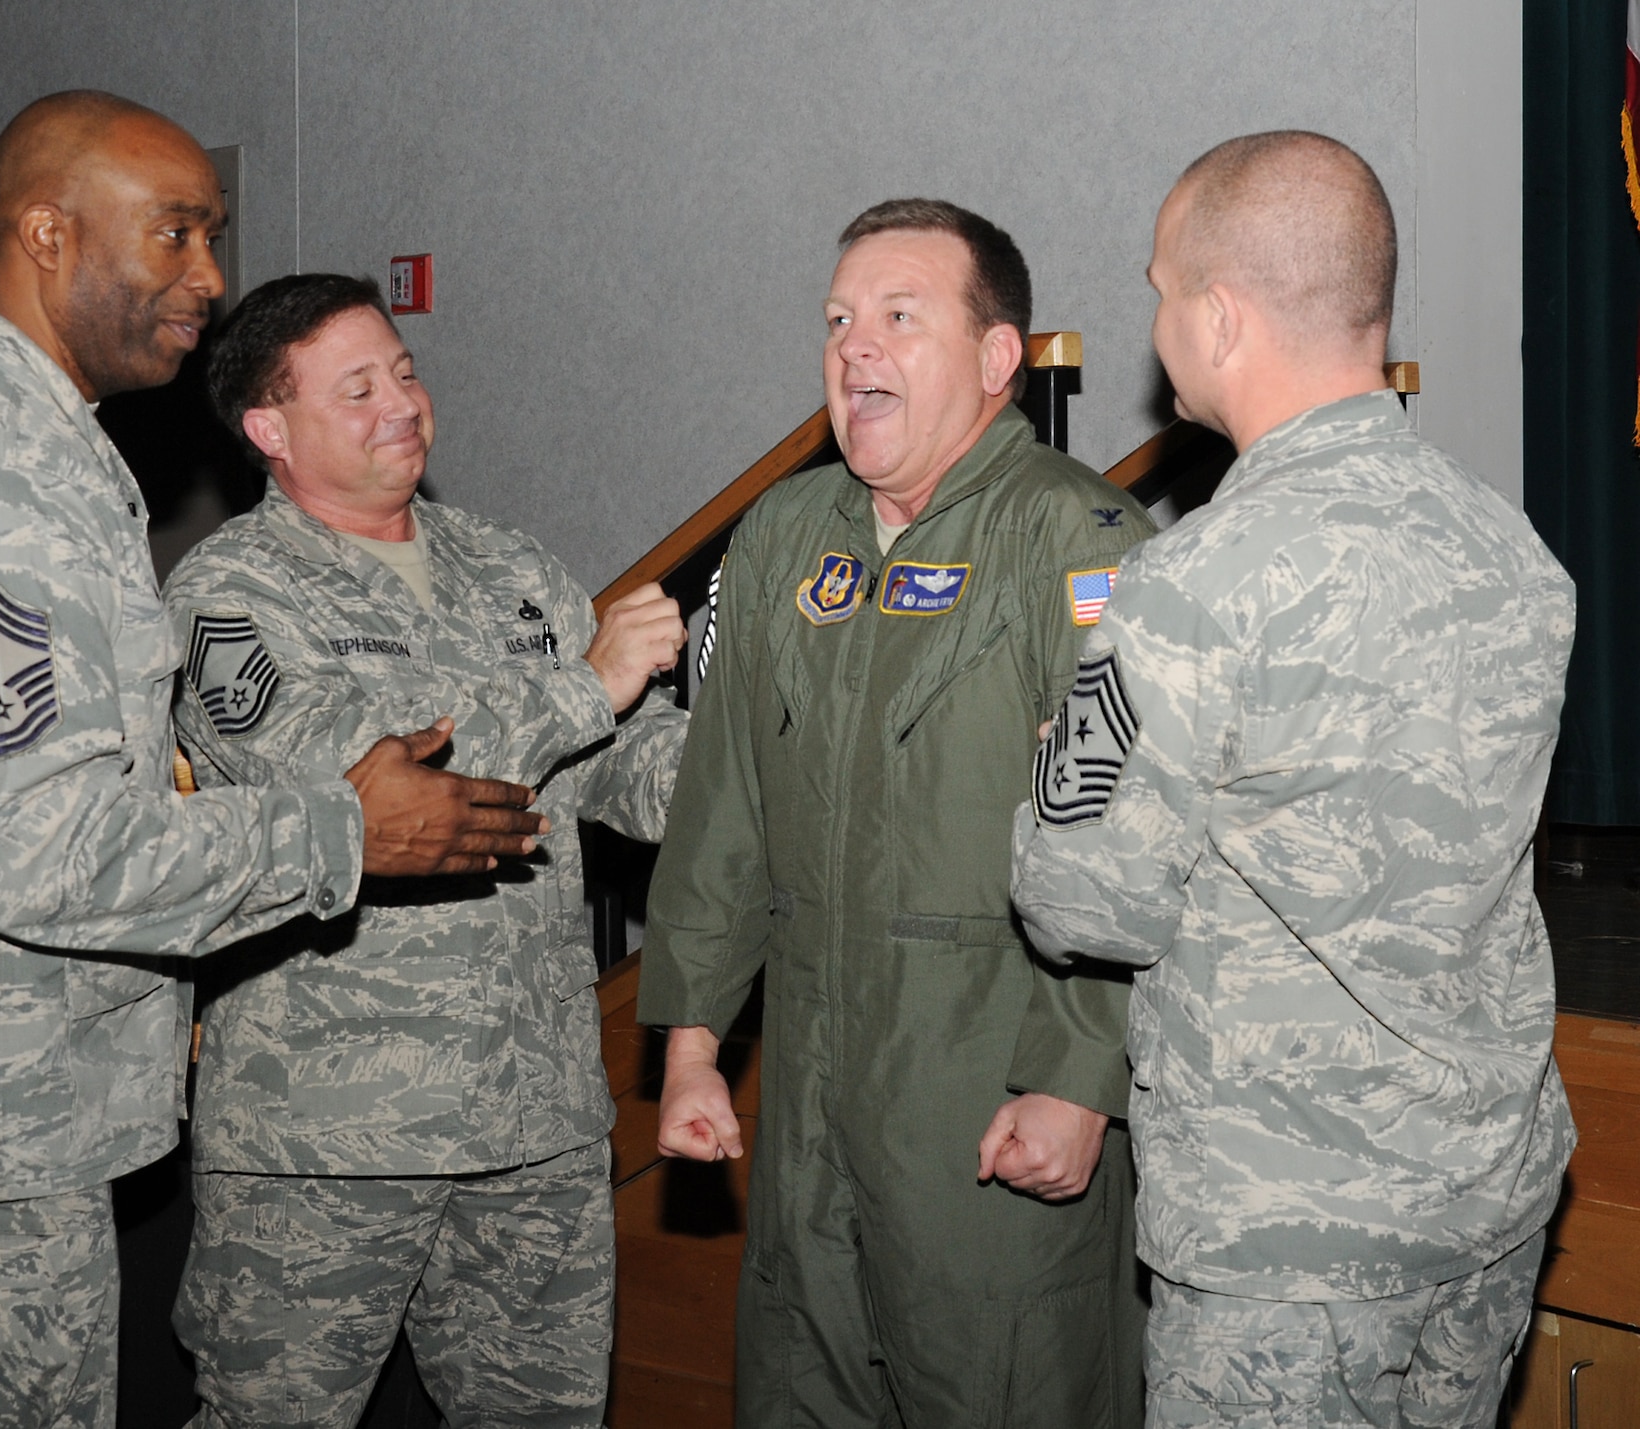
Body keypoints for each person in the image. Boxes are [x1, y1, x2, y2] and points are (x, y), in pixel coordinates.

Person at [0, 92, 545, 1429]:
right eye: (173, 234)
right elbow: (49, 855)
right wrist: (344, 828)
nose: (210, 279)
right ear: (46, 234)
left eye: (213, 236)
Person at [1011, 131, 1576, 1428]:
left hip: (1286, 1241)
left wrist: (1050, 768)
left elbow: (1080, 905)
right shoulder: (1511, 552)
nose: (1157, 328)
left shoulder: (1186, 589)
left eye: (1162, 292)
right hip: (1487, 1196)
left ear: (1219, 317)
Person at [637, 198, 1153, 1426]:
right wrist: (692, 1044)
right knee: (800, 1386)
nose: (852, 344)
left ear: (994, 356)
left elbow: (1130, 834)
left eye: (897, 316)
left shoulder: (1077, 540)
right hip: (808, 1090)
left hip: (987, 1082)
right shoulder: (783, 534)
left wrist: (1078, 1080)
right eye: (836, 320)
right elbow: (722, 806)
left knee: (1005, 1386)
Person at [162, 271, 689, 1427]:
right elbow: (366, 787)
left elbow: (621, 762)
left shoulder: (508, 566)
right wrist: (586, 684)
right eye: (355, 388)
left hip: (534, 1117)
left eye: (402, 372)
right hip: (327, 1132)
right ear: (269, 429)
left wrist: (768, 771)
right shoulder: (226, 597)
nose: (401, 402)